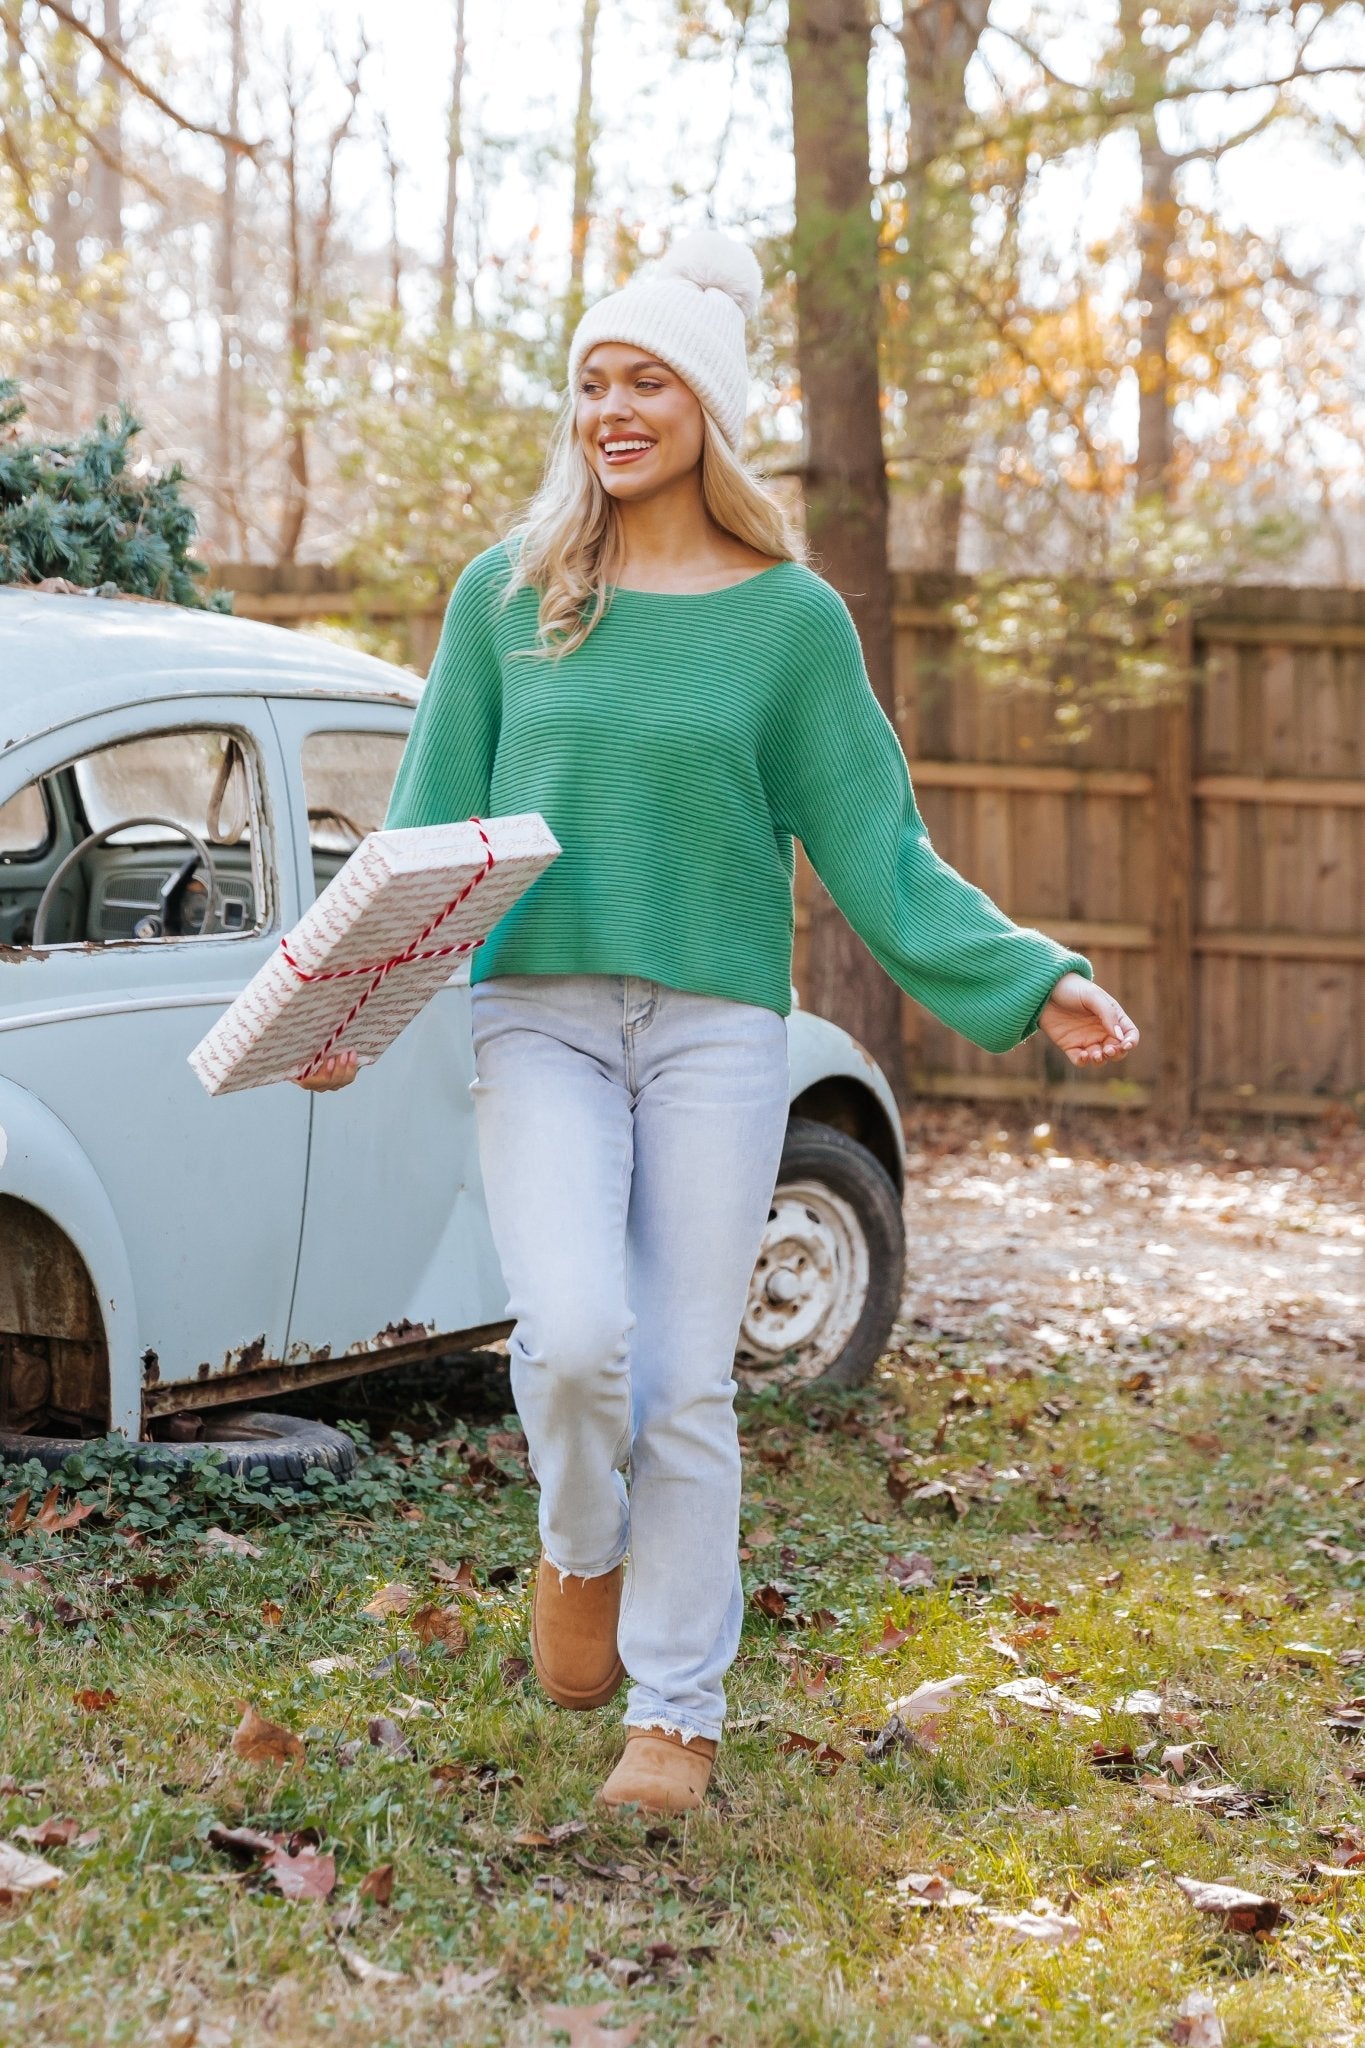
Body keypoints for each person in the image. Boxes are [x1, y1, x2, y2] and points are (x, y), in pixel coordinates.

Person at [295, 230, 1139, 1815]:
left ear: (708, 406)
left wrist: (1032, 976)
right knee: (569, 1344)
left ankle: (675, 1713)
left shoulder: (789, 619)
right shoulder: (511, 596)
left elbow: (876, 845)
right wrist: (353, 995)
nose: (612, 409)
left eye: (646, 381)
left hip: (714, 1033)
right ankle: (577, 1547)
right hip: (534, 1016)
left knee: (683, 1376)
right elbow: (422, 832)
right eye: (591, 383)